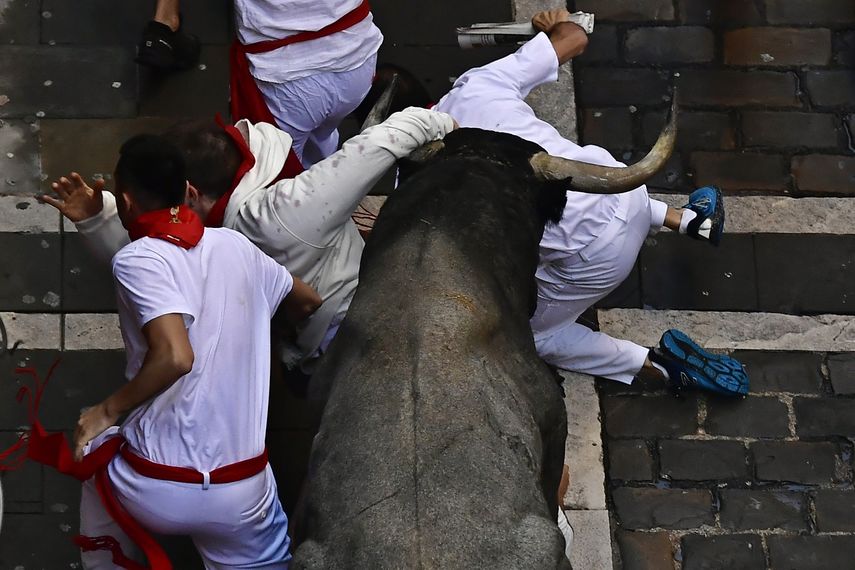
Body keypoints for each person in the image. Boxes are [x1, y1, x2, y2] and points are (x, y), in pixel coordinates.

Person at [432, 9, 748, 398]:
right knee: (567, 180)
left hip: (598, 256)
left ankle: (660, 366)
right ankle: (687, 220)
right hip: (620, 185)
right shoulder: (476, 85)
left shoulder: (425, 183)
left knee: (529, 333)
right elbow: (576, 37)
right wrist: (556, 23)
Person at [60, 135, 321, 568]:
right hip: (242, 491)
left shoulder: (137, 258)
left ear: (124, 203)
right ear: (188, 193)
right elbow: (308, 301)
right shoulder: (237, 247)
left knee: (94, 450)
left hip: (154, 484)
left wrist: (104, 412)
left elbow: (176, 356)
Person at [42, 108, 456, 373]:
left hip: (341, 330)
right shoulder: (239, 204)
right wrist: (99, 216)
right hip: (312, 315)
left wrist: (451, 127)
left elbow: (389, 135)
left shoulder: (285, 215)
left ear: (189, 194)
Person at [137, 0, 383, 169]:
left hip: (289, 81)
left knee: (275, 185)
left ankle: (165, 23)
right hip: (358, 56)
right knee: (323, 140)